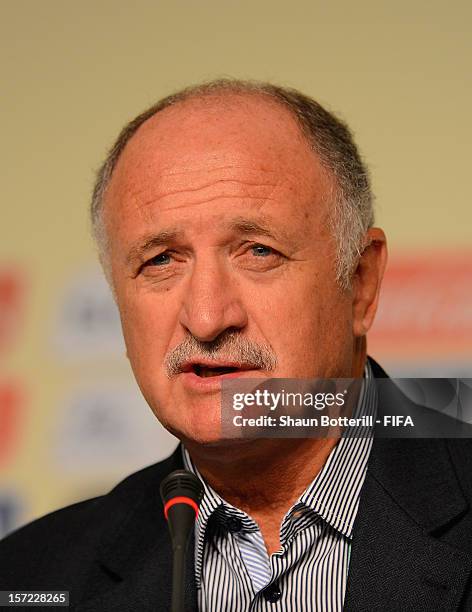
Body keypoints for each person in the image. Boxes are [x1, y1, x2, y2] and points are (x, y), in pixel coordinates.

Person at [1, 80, 471, 611]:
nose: (206, 319)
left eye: (257, 252)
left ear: (360, 283)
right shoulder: (30, 576)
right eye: (160, 260)